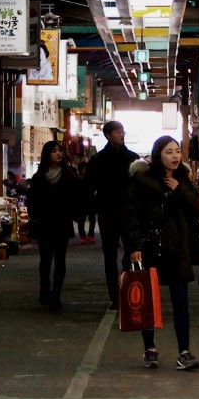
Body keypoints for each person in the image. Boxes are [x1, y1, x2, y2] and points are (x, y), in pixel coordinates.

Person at [124, 136, 199, 371]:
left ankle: (184, 352)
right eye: (169, 152)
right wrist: (134, 247)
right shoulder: (142, 181)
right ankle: (149, 349)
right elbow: (130, 216)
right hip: (150, 249)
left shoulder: (183, 179)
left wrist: (179, 189)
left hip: (177, 249)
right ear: (158, 154)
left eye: (177, 151)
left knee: (181, 302)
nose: (175, 156)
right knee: (148, 302)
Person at [85, 120, 139, 310]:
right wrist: (95, 206)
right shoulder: (98, 160)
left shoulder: (132, 158)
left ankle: (126, 290)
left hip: (129, 213)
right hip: (107, 213)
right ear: (108, 135)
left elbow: (140, 185)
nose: (121, 134)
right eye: (117, 132)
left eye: (122, 131)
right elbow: (88, 187)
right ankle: (115, 297)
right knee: (109, 255)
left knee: (131, 252)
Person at [26, 140, 79, 311]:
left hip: (62, 224)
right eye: (54, 151)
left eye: (60, 151)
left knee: (60, 261)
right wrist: (34, 218)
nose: (58, 154)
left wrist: (74, 214)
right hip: (44, 224)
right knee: (45, 260)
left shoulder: (70, 175)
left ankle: (56, 296)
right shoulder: (38, 176)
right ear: (47, 154)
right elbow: (32, 201)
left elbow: (76, 199)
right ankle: (44, 287)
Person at [76, 160, 96, 244]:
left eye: (86, 168)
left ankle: (91, 235)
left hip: (90, 200)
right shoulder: (77, 178)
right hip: (80, 201)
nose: (85, 170)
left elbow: (94, 187)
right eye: (83, 168)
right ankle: (82, 236)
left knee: (92, 219)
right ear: (80, 169)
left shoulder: (90, 178)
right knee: (81, 220)